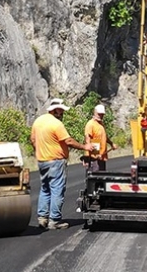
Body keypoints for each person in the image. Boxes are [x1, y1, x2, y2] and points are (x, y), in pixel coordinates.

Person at [31, 98, 99, 230]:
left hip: (42, 161)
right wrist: (85, 147)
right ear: (54, 110)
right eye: (61, 110)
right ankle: (54, 221)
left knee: (45, 189)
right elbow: (68, 141)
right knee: (57, 189)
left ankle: (42, 218)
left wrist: (39, 151)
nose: (62, 113)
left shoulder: (38, 121)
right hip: (56, 161)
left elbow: (33, 140)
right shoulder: (56, 124)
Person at [83, 104, 116, 173]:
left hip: (101, 156)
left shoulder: (101, 124)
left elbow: (104, 137)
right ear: (94, 112)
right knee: (95, 178)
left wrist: (111, 143)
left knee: (102, 178)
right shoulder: (91, 124)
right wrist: (92, 155)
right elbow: (88, 139)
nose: (100, 116)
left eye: (102, 114)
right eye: (99, 114)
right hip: (94, 158)